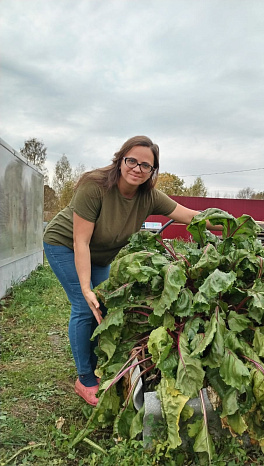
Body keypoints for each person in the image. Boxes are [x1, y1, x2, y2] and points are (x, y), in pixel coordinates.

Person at [43, 135, 205, 406]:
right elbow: (80, 241)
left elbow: (188, 215)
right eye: (132, 161)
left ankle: (98, 362)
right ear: (120, 160)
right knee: (85, 306)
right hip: (65, 245)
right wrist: (85, 287)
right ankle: (85, 378)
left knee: (106, 306)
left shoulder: (149, 196)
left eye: (146, 165)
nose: (137, 169)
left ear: (153, 171)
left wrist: (230, 223)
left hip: (101, 255)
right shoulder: (95, 187)